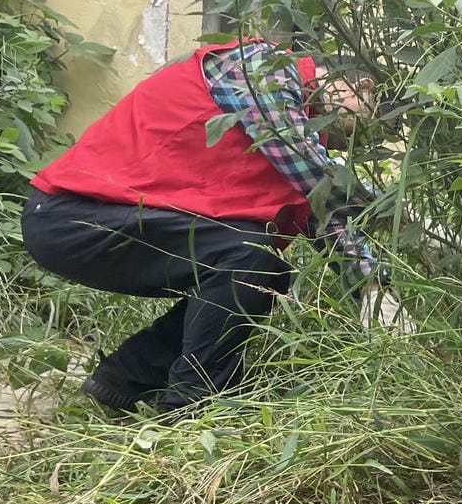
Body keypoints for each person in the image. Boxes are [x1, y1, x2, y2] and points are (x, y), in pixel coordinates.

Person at [23, 38, 384, 415]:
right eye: (373, 125)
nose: (363, 141)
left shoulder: (298, 135)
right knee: (249, 258)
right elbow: (317, 178)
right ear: (359, 87)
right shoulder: (262, 67)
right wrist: (394, 215)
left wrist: (374, 287)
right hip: (73, 216)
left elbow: (327, 218)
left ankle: (123, 378)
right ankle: (193, 412)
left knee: (264, 270)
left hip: (109, 219)